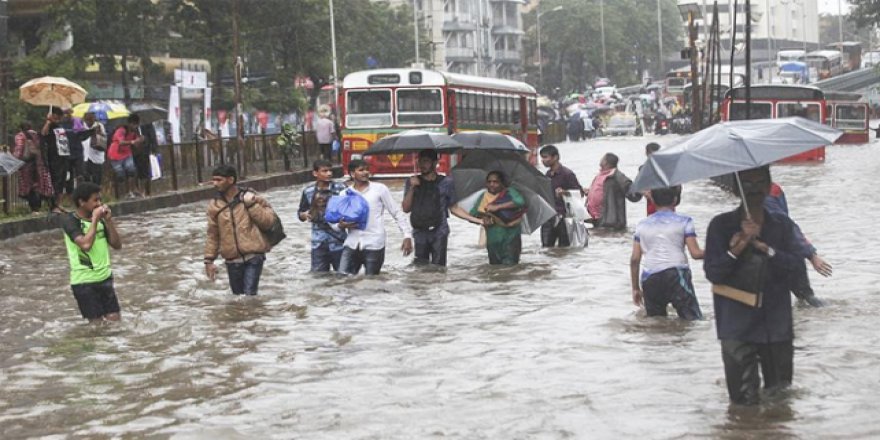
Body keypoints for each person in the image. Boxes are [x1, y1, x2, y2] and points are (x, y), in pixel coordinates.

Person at [704, 166, 803, 405]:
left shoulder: (782, 226)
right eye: (747, 184)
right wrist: (739, 246)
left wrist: (765, 249)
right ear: (737, 189)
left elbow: (796, 269)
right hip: (736, 326)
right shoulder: (720, 226)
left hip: (776, 324)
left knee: (780, 400)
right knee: (742, 404)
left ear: (769, 186)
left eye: (760, 182)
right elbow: (713, 273)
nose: (754, 189)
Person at [629, 186, 704, 320]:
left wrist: (635, 288)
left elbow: (635, 259)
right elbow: (696, 253)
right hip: (676, 274)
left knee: (656, 323)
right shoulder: (685, 221)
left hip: (650, 278)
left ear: (652, 200)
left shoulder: (641, 225)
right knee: (692, 320)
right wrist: (721, 251)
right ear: (675, 200)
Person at [204, 165, 278, 295]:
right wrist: (209, 260)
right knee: (238, 297)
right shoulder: (214, 206)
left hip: (254, 255)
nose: (215, 184)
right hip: (232, 259)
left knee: (249, 295)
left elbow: (268, 222)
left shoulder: (251, 197)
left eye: (219, 180)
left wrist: (251, 205)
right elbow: (212, 234)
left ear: (231, 180)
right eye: (213, 180)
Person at [337, 159, 413, 275]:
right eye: (361, 170)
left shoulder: (380, 189)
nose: (365, 172)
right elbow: (335, 220)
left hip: (374, 244)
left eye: (367, 169)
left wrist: (407, 236)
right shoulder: (344, 194)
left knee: (372, 282)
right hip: (351, 243)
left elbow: (396, 212)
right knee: (342, 278)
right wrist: (340, 225)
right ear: (352, 174)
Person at [60, 182, 123, 323]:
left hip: (105, 278)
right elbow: (86, 245)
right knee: (96, 326)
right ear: (82, 202)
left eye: (100, 200)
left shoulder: (102, 220)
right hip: (84, 282)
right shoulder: (70, 221)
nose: (99, 204)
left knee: (115, 321)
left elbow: (117, 245)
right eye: (95, 200)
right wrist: (94, 220)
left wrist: (109, 222)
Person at [765, 182, 833, 307]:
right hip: (786, 252)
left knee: (806, 301)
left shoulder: (765, 196)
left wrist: (811, 255)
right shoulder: (772, 189)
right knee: (805, 300)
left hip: (783, 254)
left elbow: (788, 227)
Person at [456, 170, 527, 265]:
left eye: (495, 182)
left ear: (502, 183)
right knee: (494, 268)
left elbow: (520, 202)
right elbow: (473, 213)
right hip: (492, 240)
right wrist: (483, 218)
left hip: (510, 238)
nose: (492, 184)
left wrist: (498, 207)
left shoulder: (510, 192)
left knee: (510, 267)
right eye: (489, 182)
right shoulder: (483, 196)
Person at [402, 149, 457, 266]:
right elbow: (406, 208)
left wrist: (476, 219)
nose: (422, 165)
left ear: (435, 162)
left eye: (426, 161)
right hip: (419, 231)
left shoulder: (446, 182)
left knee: (439, 268)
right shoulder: (412, 181)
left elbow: (453, 207)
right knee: (421, 267)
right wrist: (412, 188)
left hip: (439, 231)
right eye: (420, 162)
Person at [298, 159, 348, 272]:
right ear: (315, 173)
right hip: (318, 243)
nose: (329, 174)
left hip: (339, 242)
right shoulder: (308, 191)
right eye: (324, 171)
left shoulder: (342, 188)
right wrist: (304, 215)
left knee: (344, 277)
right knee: (319, 278)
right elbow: (300, 213)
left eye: (330, 171)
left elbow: (351, 209)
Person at [42, 108, 94, 212]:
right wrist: (48, 122)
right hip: (54, 156)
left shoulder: (63, 126)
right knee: (55, 181)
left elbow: (77, 136)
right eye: (55, 116)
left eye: (59, 116)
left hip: (64, 156)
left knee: (62, 181)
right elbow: (44, 133)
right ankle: (53, 206)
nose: (57, 118)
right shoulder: (51, 126)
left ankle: (58, 203)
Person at [539, 145, 584, 247]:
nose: (543, 160)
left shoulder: (567, 174)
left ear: (555, 157)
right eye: (542, 157)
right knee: (546, 248)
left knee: (564, 248)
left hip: (564, 218)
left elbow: (579, 193)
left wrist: (565, 192)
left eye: (546, 157)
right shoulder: (547, 175)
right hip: (549, 217)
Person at [585, 153, 642, 230]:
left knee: (610, 239)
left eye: (602, 158)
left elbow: (633, 195)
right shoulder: (600, 175)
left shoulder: (618, 176)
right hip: (596, 219)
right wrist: (590, 192)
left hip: (611, 221)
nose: (600, 160)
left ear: (606, 162)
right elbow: (603, 191)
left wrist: (641, 185)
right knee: (599, 240)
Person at [12, 123, 54, 214]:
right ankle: (49, 206)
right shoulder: (37, 135)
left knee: (29, 187)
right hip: (39, 164)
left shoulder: (20, 136)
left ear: (20, 128)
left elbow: (19, 150)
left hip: (27, 165)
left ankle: (34, 209)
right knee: (39, 186)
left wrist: (15, 160)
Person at [108, 114, 145, 198]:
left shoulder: (135, 132)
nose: (135, 126)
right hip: (115, 154)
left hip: (127, 153)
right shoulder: (121, 130)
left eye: (137, 125)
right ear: (130, 123)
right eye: (134, 124)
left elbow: (136, 145)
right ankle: (123, 194)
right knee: (120, 175)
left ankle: (132, 191)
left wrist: (140, 141)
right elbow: (121, 142)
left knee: (131, 171)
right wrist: (133, 141)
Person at [81, 112, 107, 185]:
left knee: (97, 177)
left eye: (91, 119)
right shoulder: (82, 126)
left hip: (97, 156)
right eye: (87, 120)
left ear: (94, 119)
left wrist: (97, 133)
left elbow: (103, 138)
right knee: (86, 176)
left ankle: (97, 192)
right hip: (85, 155)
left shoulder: (99, 126)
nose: (89, 121)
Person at [134, 121, 158, 195]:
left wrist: (153, 149)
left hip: (145, 150)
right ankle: (137, 190)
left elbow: (152, 136)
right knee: (135, 171)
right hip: (134, 151)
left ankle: (146, 190)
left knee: (145, 170)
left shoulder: (146, 123)